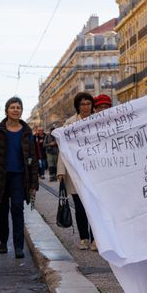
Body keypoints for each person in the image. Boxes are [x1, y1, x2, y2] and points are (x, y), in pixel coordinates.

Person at [0, 97, 39, 258]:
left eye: (18, 107)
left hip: (20, 177)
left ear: (21, 111)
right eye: (12, 107)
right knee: (1, 210)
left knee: (17, 209)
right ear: (7, 110)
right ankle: (3, 241)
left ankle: (19, 246)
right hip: (0, 176)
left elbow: (32, 159)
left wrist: (34, 183)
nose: (15, 110)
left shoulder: (27, 132)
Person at [57, 92, 97, 251]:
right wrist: (61, 171)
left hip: (95, 171)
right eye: (83, 104)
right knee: (80, 207)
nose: (86, 107)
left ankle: (95, 239)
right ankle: (84, 238)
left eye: (88, 103)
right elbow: (63, 148)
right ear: (77, 106)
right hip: (76, 171)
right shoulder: (69, 123)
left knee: (94, 207)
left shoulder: (99, 120)